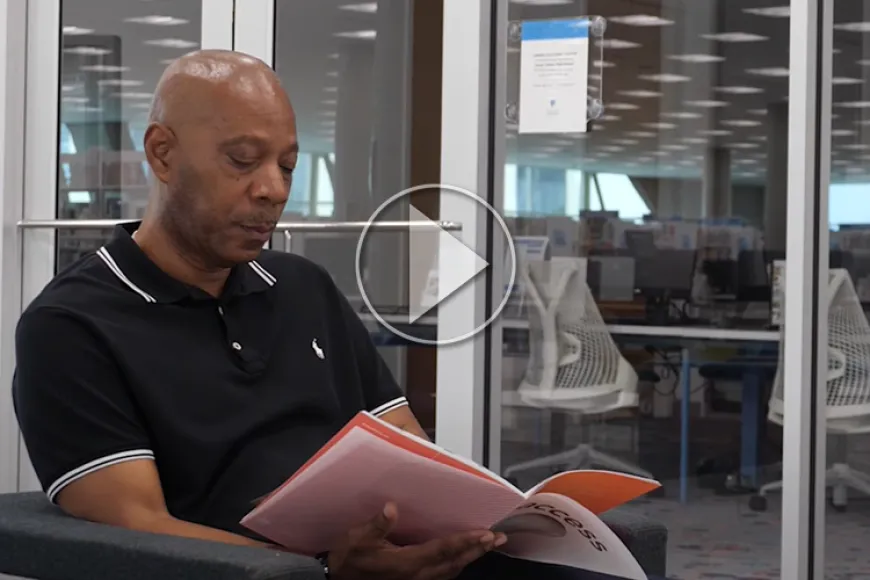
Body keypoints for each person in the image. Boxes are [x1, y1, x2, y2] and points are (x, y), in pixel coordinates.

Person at [13, 50, 662, 580]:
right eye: (243, 160)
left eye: (287, 165)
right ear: (162, 153)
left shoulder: (303, 288)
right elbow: (137, 531)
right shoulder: (73, 327)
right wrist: (320, 569)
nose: (272, 188)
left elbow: (412, 451)